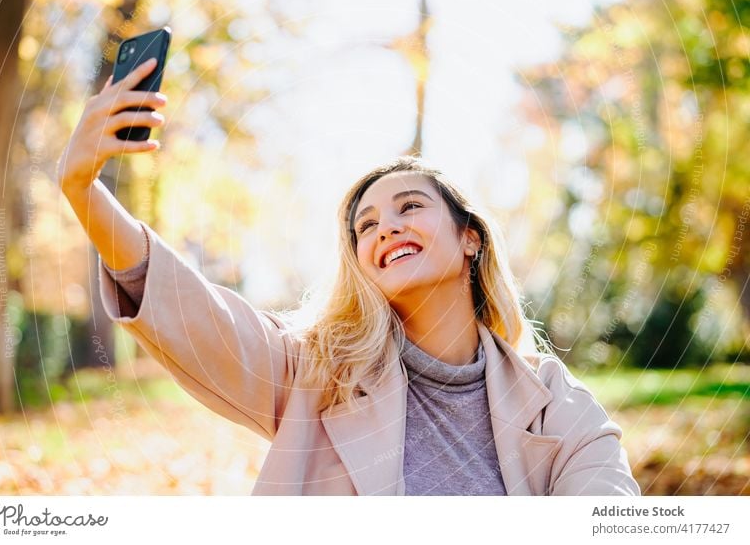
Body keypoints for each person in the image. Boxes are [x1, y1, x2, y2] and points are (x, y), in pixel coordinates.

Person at [56, 58, 641, 496]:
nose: (385, 227)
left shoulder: (555, 401)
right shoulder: (314, 375)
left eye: (410, 207)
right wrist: (83, 193)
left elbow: (606, 505)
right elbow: (196, 315)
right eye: (366, 226)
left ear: (471, 237)